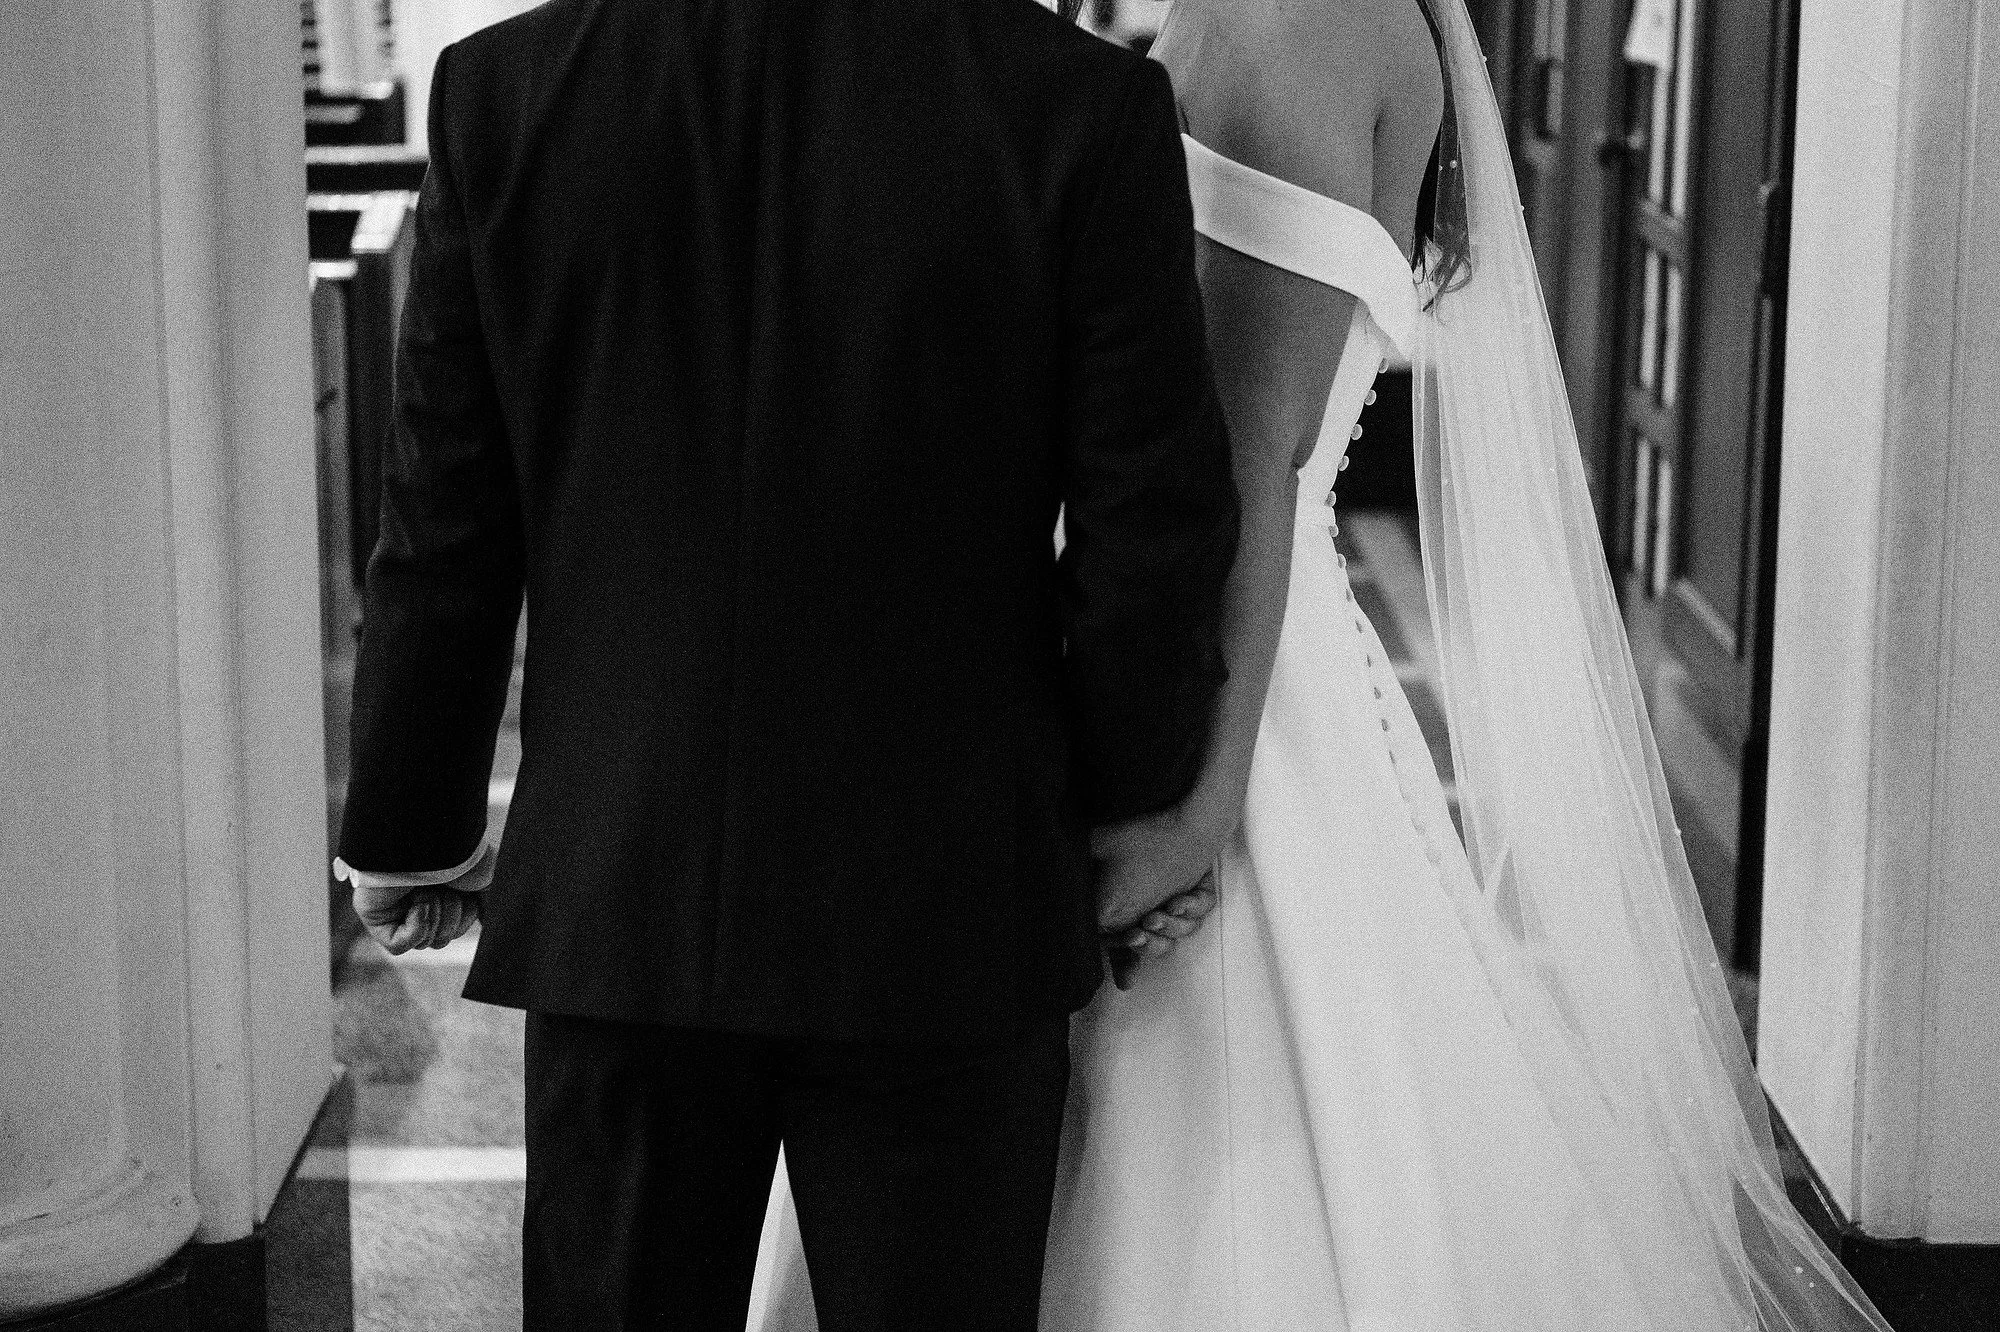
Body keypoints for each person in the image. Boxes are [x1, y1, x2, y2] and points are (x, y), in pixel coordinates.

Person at [753, 0, 1902, 1327]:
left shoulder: (1298, 21)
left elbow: (1247, 457)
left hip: (1214, 687)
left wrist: (1193, 811)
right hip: (1149, 641)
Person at [332, 0, 1243, 1326]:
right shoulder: (1078, 104)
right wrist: (1123, 799)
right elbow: (1152, 530)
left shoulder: (509, 90)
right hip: (950, 903)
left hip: (624, 895)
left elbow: (447, 519)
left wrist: (409, 827)